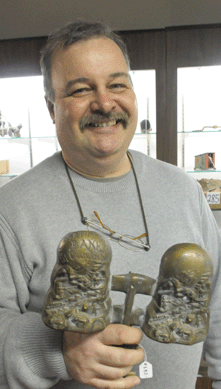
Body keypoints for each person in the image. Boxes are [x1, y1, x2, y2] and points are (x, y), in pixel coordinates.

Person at [0, 20, 221, 389]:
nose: (104, 103)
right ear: (51, 108)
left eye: (117, 84)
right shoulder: (10, 209)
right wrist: (56, 348)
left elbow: (217, 303)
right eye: (81, 89)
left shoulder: (185, 190)